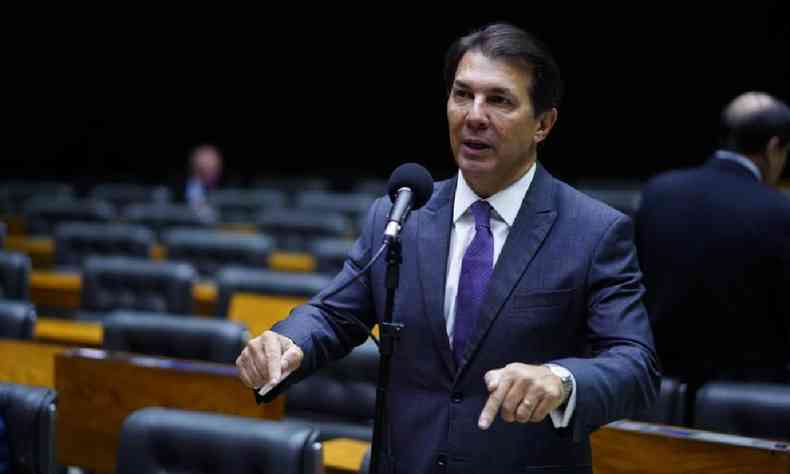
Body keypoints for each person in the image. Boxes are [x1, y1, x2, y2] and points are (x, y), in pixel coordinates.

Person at [237, 23, 659, 473]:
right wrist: (288, 340)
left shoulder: (594, 231)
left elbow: (635, 366)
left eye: (499, 100)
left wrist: (561, 380)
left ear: (543, 123)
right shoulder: (401, 214)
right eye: (462, 95)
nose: (474, 115)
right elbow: (335, 313)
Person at [636, 92, 790, 387]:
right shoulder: (781, 211)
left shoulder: (658, 193)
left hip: (655, 383)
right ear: (774, 148)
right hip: (749, 394)